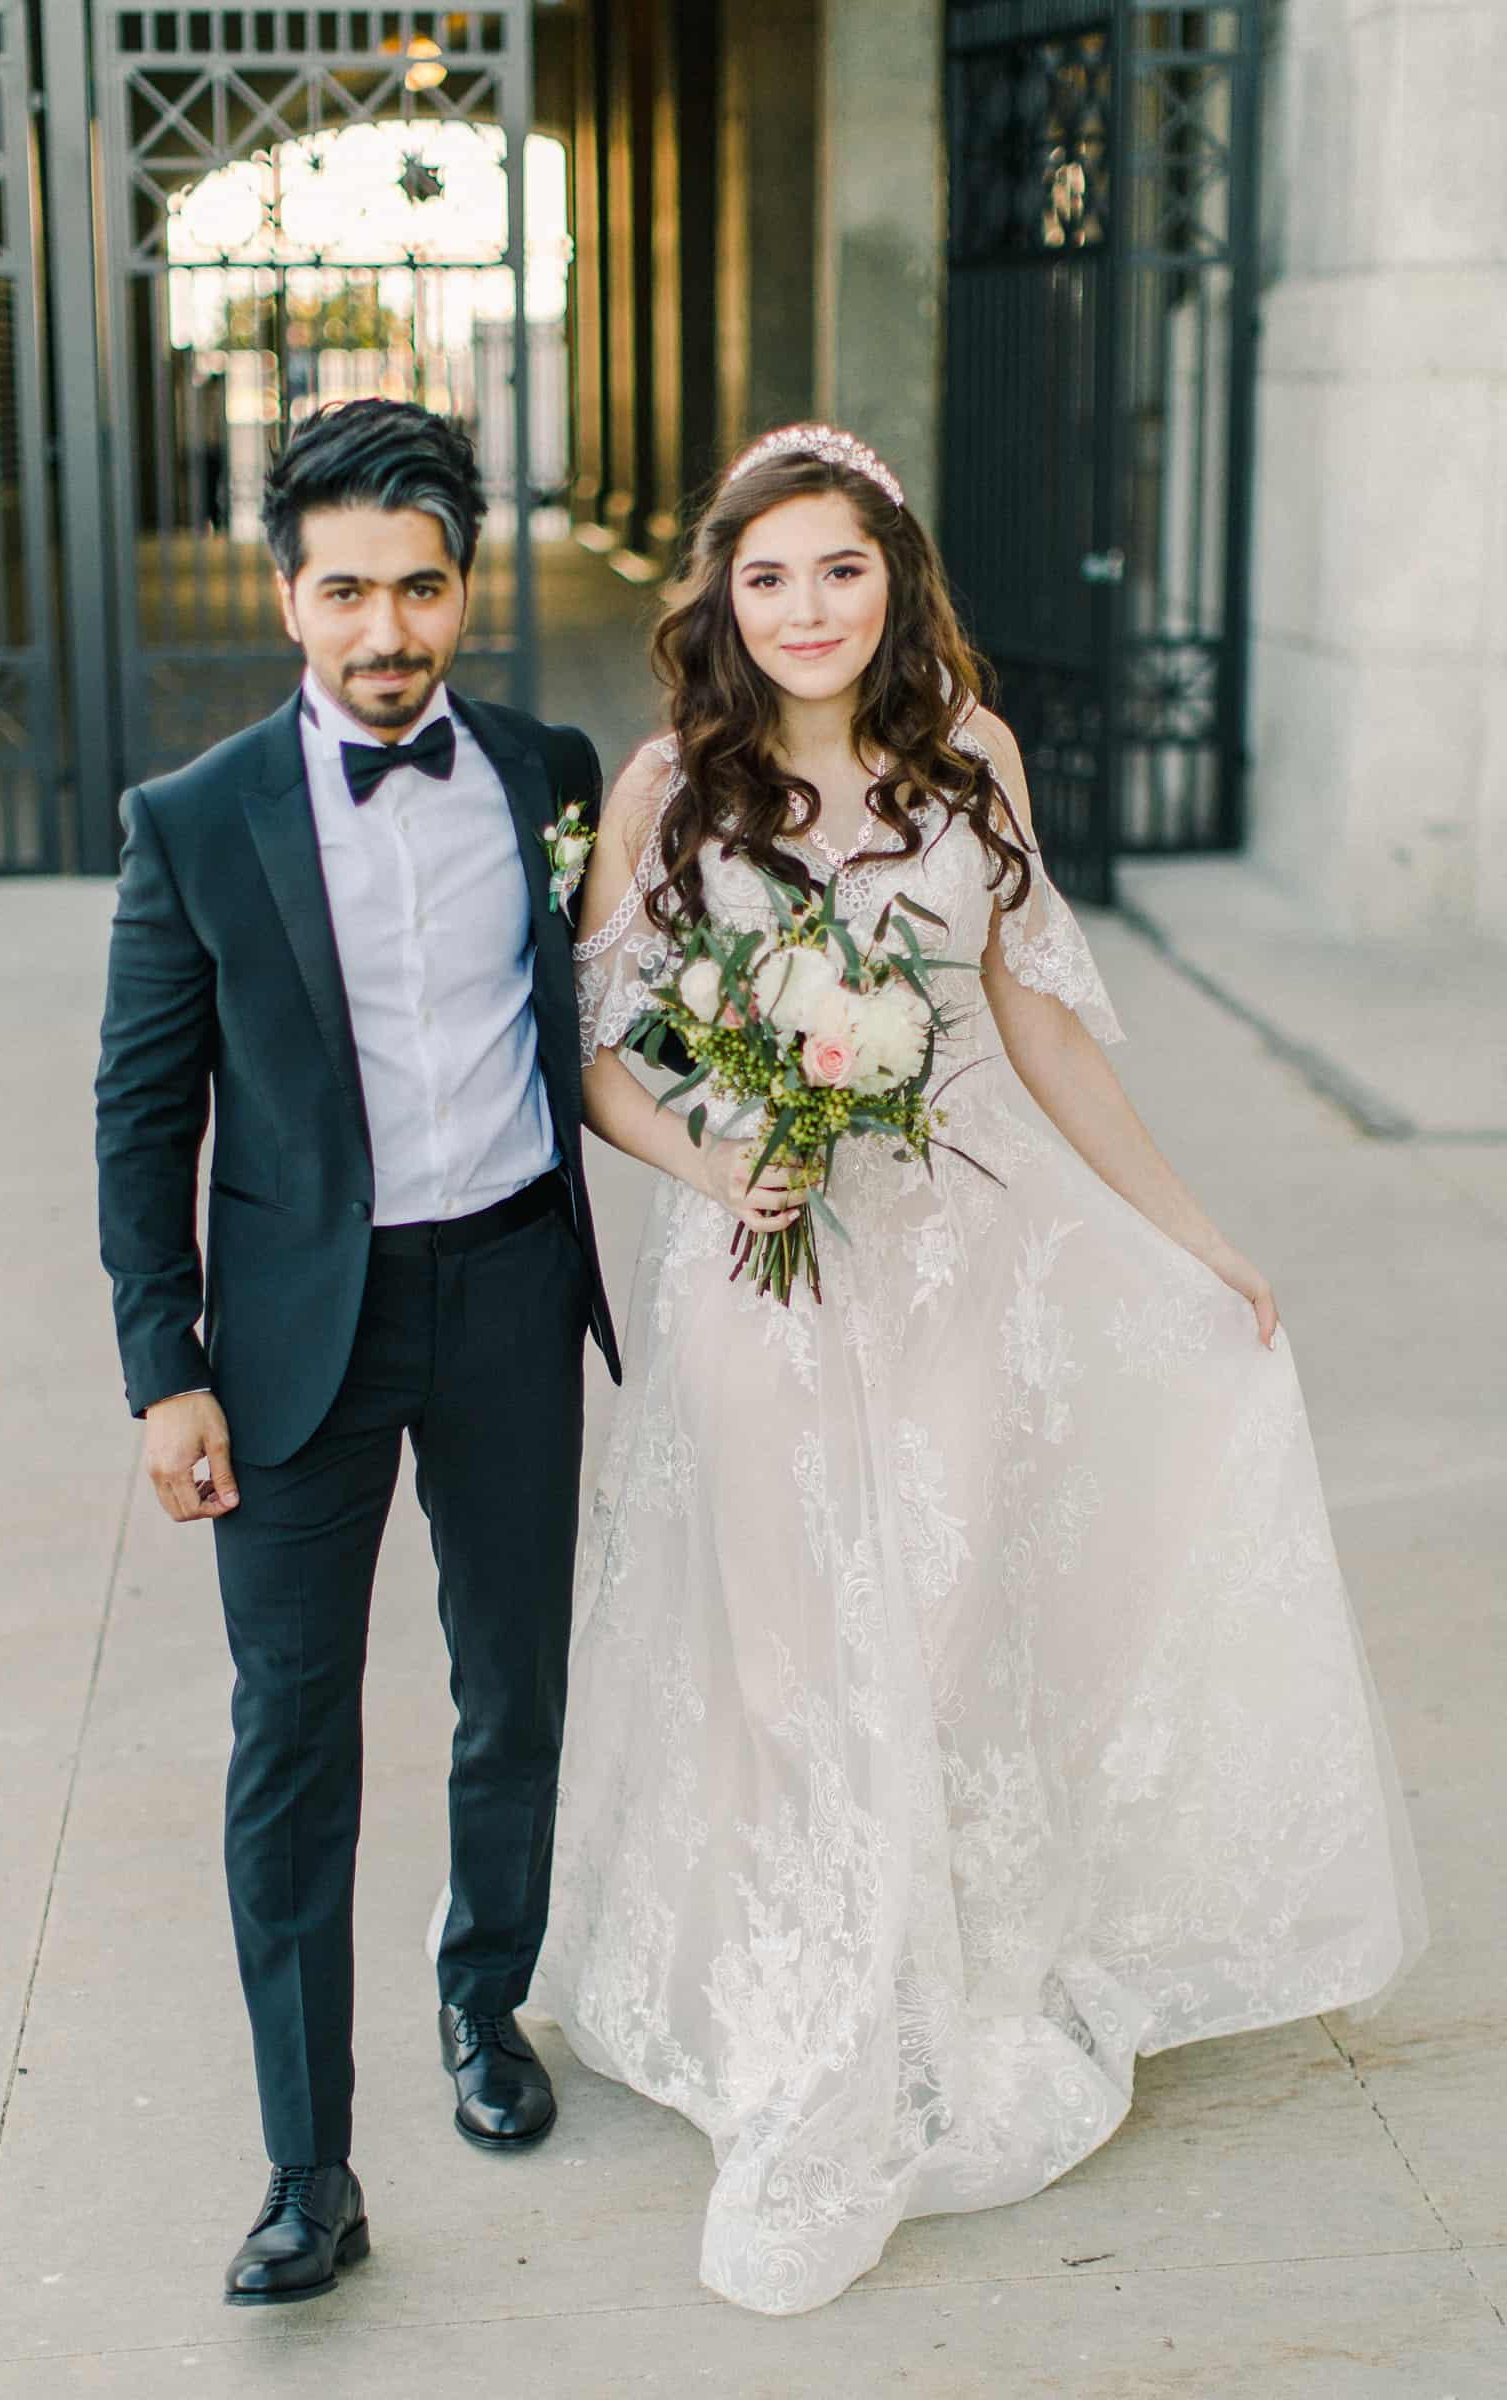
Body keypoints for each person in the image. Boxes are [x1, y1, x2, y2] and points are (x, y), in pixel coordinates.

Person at [530, 424, 1428, 2316]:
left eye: (837, 570)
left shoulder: (971, 770)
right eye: (765, 577)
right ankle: (808, 2002)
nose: (802, 610)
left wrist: (1198, 1235)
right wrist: (720, 1158)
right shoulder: (665, 786)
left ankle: (939, 1988)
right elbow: (601, 1055)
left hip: (953, 1263)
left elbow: (1043, 1029)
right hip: (757, 1277)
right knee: (786, 1652)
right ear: (722, 598)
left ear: (894, 579)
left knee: (937, 1623)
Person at [95, 399, 614, 2305]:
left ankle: (487, 2004)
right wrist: (168, 1369)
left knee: (513, 1687)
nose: (386, 630)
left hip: (506, 1294)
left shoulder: (550, 772)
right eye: (345, 592)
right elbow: (140, 1117)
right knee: (291, 1742)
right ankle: (306, 2168)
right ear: (286, 594)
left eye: (420, 587)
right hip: (296, 1331)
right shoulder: (195, 818)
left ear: (465, 584)